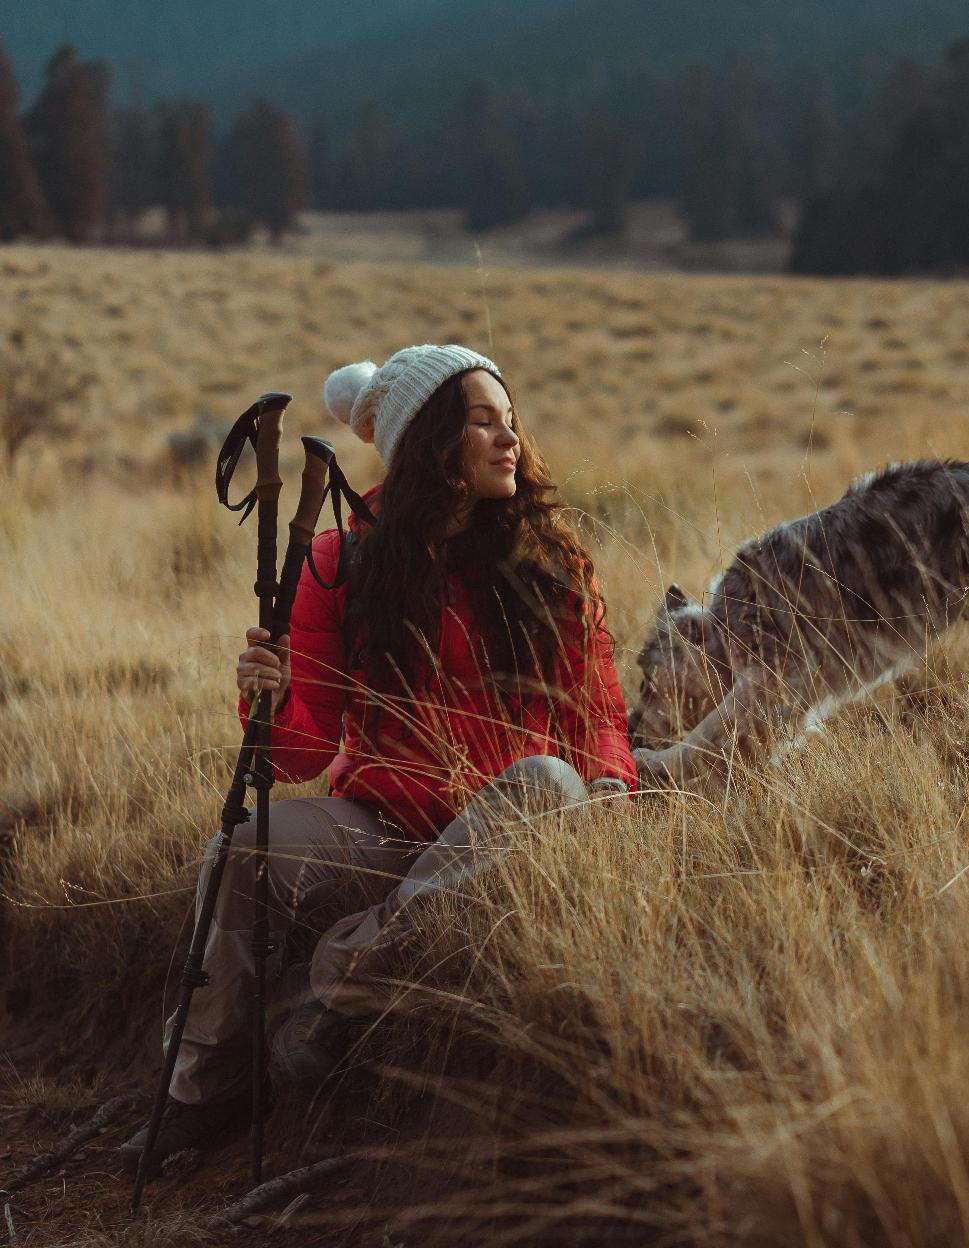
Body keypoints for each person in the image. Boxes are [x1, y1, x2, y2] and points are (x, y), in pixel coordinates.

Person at [120, 344, 637, 1172]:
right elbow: (301, 750)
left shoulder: (554, 565)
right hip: (381, 827)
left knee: (547, 780)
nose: (510, 440)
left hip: (500, 832)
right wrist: (265, 694)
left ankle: (329, 995)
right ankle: (202, 1093)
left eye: (511, 421)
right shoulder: (341, 563)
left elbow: (600, 707)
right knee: (240, 850)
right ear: (429, 441)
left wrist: (609, 779)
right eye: (482, 422)